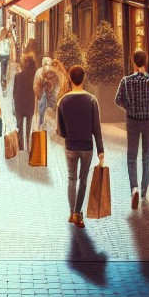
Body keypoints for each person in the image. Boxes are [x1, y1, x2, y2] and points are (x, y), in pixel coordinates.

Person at [114, 49, 149, 210]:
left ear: (134, 63)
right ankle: (143, 192)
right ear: (145, 62)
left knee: (131, 156)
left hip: (132, 121)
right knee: (146, 156)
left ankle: (134, 188)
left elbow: (117, 100)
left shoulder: (126, 81)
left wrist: (129, 106)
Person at [56, 64, 104, 228]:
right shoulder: (91, 100)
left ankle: (72, 213)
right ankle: (78, 213)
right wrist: (101, 150)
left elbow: (60, 130)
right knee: (83, 180)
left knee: (71, 178)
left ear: (70, 79)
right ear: (83, 79)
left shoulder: (63, 101)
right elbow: (96, 128)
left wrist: (69, 134)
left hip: (70, 146)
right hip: (87, 147)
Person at [12, 48, 38, 150]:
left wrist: (14, 105)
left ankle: (21, 146)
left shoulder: (18, 76)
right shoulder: (35, 77)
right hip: (30, 105)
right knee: (28, 126)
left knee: (19, 125)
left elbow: (14, 92)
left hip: (19, 104)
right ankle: (28, 145)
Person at [34, 56, 59, 129]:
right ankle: (41, 125)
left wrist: (54, 91)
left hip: (50, 94)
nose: (46, 65)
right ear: (42, 64)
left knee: (50, 111)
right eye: (45, 63)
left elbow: (57, 84)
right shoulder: (39, 72)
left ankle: (48, 127)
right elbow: (36, 84)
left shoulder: (54, 72)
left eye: (47, 63)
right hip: (42, 94)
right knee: (41, 111)